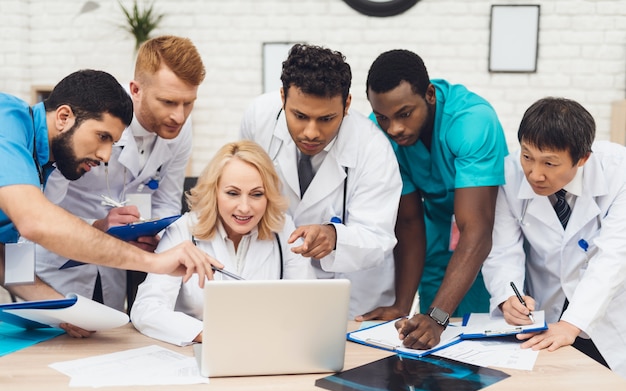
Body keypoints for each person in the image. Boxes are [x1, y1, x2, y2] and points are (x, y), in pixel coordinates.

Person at [0, 69, 220, 337]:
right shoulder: (7, 122)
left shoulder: (40, 166)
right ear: (64, 117)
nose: (106, 155)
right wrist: (155, 262)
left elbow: (6, 258)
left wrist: (63, 310)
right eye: (102, 136)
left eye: (113, 143)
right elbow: (36, 224)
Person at [36, 36, 206, 312]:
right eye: (168, 102)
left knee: (107, 335)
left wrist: (156, 234)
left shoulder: (180, 133)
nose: (179, 116)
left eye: (188, 103)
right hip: (59, 262)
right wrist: (97, 225)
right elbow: (44, 209)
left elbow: (167, 199)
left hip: (117, 264)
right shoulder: (96, 121)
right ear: (136, 90)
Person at [239, 43, 402, 319]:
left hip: (354, 293)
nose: (311, 132)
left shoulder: (373, 147)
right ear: (282, 98)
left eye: (326, 119)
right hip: (278, 278)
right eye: (300, 116)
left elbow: (378, 238)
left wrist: (334, 236)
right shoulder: (259, 119)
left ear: (347, 105)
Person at [363, 49, 508, 348]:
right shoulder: (378, 132)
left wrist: (437, 317)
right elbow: (408, 220)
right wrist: (402, 305)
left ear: (429, 94)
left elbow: (478, 230)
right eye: (383, 118)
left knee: (479, 337)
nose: (394, 129)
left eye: (404, 114)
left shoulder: (472, 121)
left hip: (488, 227)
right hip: (437, 228)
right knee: (430, 340)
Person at [481, 97, 626, 378]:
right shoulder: (509, 173)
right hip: (547, 312)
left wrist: (573, 323)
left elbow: (614, 257)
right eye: (527, 156)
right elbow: (503, 250)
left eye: (549, 163)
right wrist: (508, 296)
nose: (535, 174)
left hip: (608, 310)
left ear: (583, 158)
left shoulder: (620, 171)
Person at [130, 141, 315, 345]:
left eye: (256, 194)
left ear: (268, 196)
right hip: (202, 349)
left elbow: (306, 306)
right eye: (233, 193)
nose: (244, 207)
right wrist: (206, 335)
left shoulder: (284, 230)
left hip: (267, 346)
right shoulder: (183, 229)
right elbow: (146, 308)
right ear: (215, 191)